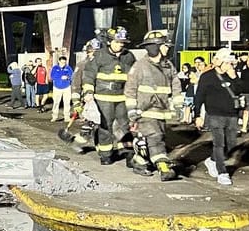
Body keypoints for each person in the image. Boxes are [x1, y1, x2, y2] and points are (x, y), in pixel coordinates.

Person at [124, 30, 181, 181]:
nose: (167, 48)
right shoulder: (140, 66)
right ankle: (163, 167)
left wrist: (178, 105)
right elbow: (130, 89)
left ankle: (139, 162)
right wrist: (131, 110)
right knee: (156, 137)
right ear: (155, 47)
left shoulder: (168, 65)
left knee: (154, 137)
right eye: (164, 45)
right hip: (145, 111)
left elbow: (176, 85)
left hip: (161, 110)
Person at [82, 26, 136, 165]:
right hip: (103, 97)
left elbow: (134, 76)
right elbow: (88, 75)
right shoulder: (99, 55)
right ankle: (106, 155)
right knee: (106, 127)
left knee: (125, 126)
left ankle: (128, 153)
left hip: (122, 97)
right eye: (117, 42)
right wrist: (88, 92)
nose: (120, 45)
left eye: (122, 42)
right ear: (109, 42)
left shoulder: (128, 56)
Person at [194, 48, 242, 186]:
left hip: (232, 114)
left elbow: (240, 90)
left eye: (230, 62)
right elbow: (199, 97)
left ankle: (212, 160)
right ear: (218, 62)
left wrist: (234, 77)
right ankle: (222, 172)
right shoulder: (207, 76)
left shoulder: (232, 75)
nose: (229, 65)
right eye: (226, 62)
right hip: (214, 114)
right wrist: (198, 115)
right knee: (219, 143)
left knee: (230, 143)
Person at [50, 55, 74, 122]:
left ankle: (67, 117)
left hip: (66, 87)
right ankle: (54, 116)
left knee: (67, 102)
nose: (63, 64)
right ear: (59, 61)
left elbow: (72, 76)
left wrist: (68, 77)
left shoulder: (68, 68)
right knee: (56, 102)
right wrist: (60, 77)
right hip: (57, 87)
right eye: (62, 62)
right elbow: (52, 76)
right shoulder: (55, 68)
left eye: (64, 62)